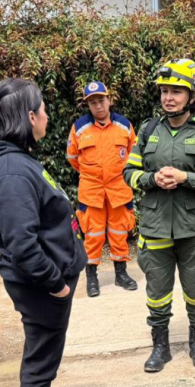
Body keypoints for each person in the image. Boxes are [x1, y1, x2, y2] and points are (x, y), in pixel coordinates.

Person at [0, 78, 87, 387]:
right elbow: (22, 244)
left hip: (51, 281)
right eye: (42, 110)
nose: (47, 117)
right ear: (29, 117)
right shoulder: (10, 170)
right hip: (42, 286)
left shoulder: (18, 159)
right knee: (39, 363)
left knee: (45, 356)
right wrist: (56, 285)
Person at [123, 59, 195, 373]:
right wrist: (150, 179)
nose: (169, 97)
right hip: (155, 227)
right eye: (164, 91)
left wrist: (187, 179)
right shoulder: (148, 130)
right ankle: (161, 347)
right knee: (156, 294)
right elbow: (129, 171)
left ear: (193, 96)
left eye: (177, 92)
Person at [66, 81, 138, 297]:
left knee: (119, 232)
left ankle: (121, 274)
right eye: (93, 102)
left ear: (109, 100)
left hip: (119, 187)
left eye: (101, 100)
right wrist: (93, 174)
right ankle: (92, 278)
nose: (98, 106)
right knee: (93, 234)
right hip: (92, 189)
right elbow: (73, 158)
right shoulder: (79, 128)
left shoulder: (125, 125)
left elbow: (133, 153)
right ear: (88, 105)